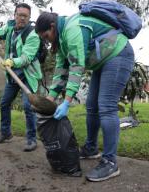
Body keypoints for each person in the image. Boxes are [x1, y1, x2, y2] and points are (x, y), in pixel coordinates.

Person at [35, 12, 134, 181]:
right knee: (91, 106)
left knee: (106, 106)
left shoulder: (72, 29)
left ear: (52, 27)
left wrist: (66, 102)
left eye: (46, 36)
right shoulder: (61, 40)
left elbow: (77, 66)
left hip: (118, 54)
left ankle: (110, 162)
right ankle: (91, 148)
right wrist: (49, 101)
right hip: (102, 61)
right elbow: (61, 71)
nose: (47, 40)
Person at [0, 3, 42, 152]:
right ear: (14, 14)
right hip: (12, 75)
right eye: (19, 15)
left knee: (29, 107)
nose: (22, 18)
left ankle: (31, 139)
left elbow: (27, 57)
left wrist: (12, 61)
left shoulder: (33, 34)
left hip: (28, 75)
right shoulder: (10, 27)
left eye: (25, 16)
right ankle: (6, 133)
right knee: (4, 103)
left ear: (29, 18)